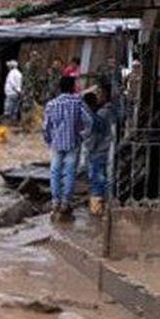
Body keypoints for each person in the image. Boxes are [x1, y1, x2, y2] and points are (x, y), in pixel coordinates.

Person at [43, 75, 94, 218]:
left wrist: (49, 141)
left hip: (56, 144)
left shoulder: (51, 104)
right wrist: (82, 136)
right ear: (72, 87)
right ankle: (66, 202)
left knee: (55, 172)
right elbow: (89, 122)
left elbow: (46, 127)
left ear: (59, 88)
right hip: (73, 143)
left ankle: (55, 202)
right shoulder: (78, 103)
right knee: (70, 172)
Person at [84, 86, 116, 218]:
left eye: (99, 92)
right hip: (107, 150)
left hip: (98, 151)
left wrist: (89, 150)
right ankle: (107, 207)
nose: (97, 96)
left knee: (97, 180)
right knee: (106, 178)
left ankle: (97, 210)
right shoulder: (112, 110)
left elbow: (95, 135)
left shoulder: (101, 114)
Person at [3, 60, 23, 124]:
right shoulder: (19, 73)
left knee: (8, 107)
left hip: (11, 92)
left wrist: (15, 89)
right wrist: (19, 91)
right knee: (15, 108)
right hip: (17, 93)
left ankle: (7, 122)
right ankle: (13, 121)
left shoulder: (11, 73)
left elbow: (12, 83)